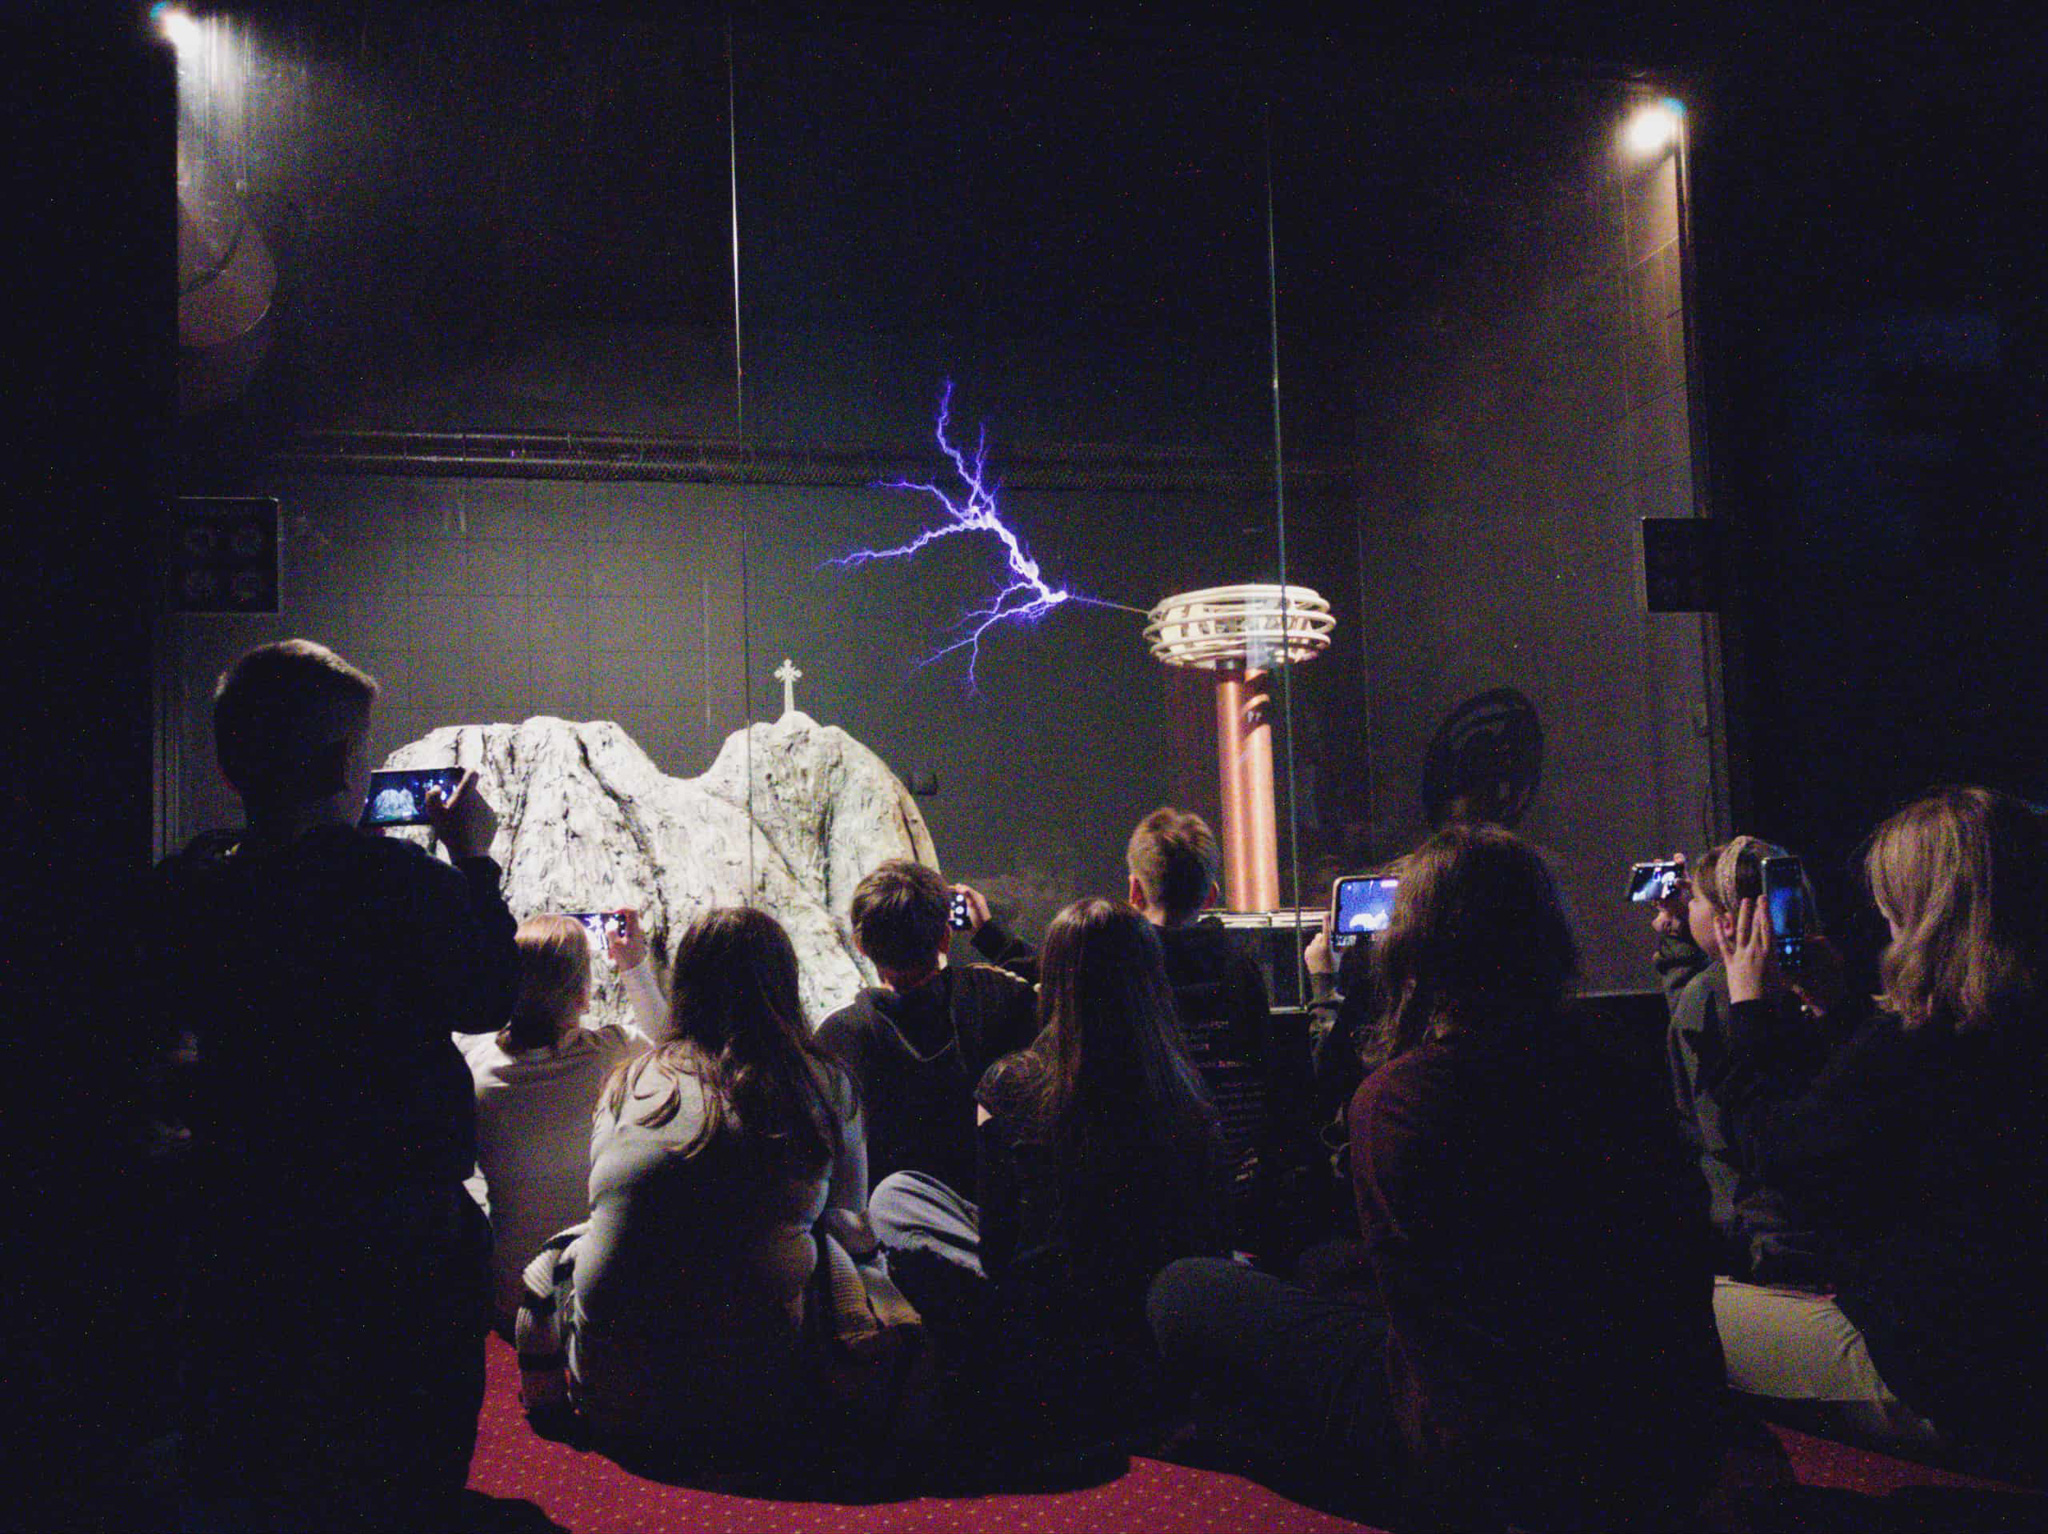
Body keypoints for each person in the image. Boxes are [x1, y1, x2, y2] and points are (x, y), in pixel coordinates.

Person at [1150, 827, 1726, 1532]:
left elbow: (1434, 1337)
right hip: (1665, 1447)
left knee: (1184, 1288)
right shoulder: (1621, 1072)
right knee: (1322, 1264)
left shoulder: (1405, 1099)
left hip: (1505, 1473)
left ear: (1415, 950)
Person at [137, 639, 519, 1528]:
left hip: (243, 1220)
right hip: (394, 1233)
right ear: (347, 763)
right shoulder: (404, 884)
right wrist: (474, 861)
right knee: (401, 1465)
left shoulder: (187, 888)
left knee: (261, 1460)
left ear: (228, 763)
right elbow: (488, 994)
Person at [1705, 787, 2048, 1466]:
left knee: (1666, 1304)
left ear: (1927, 912)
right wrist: (1838, 1011)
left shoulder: (1920, 1040)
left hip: (1960, 1384)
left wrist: (1748, 1006)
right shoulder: (2000, 1025)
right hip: (2019, 1364)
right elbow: (1882, 1113)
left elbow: (1785, 1159)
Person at [879, 898, 1230, 1463]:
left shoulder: (1010, 1083)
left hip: (1047, 1327)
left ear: (1056, 980)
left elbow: (996, 1250)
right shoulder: (1187, 1091)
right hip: (1155, 1329)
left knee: (896, 1196)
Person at [546, 907, 877, 1467]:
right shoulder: (822, 1083)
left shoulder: (628, 1081)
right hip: (767, 1403)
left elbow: (607, 1207)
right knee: (842, 1246)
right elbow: (851, 1215)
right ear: (784, 982)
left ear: (685, 983)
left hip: (619, 1399)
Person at [955, 809, 1269, 1240]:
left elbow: (1056, 971)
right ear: (1211, 895)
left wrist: (988, 933)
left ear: (1134, 890)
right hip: (1230, 1194)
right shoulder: (1241, 969)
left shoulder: (1126, 962)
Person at [817, 861, 1037, 1266]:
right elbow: (1062, 989)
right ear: (945, 937)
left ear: (860, 945)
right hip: (1000, 1235)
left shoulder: (836, 1039)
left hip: (896, 1258)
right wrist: (991, 935)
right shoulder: (995, 995)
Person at [464, 911, 668, 1330]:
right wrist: (634, 967)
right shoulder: (614, 1054)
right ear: (582, 995)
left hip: (513, 1296)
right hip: (591, 1292)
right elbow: (674, 1049)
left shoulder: (476, 1068)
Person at [1666, 837, 1827, 1283]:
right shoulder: (1817, 975)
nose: (1688, 905)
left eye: (1695, 900)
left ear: (1726, 920)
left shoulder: (1711, 997)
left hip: (1762, 1240)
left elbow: (1716, 1134)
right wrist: (1679, 944)